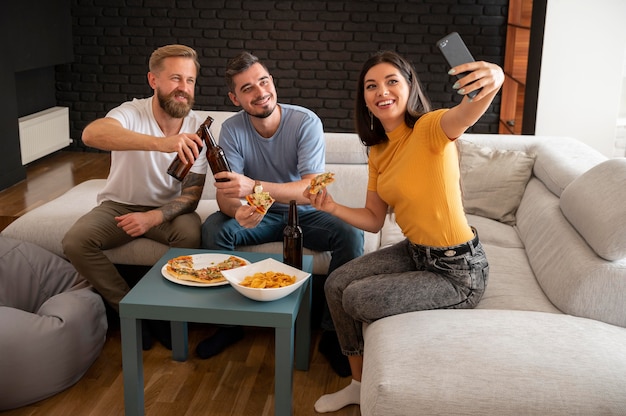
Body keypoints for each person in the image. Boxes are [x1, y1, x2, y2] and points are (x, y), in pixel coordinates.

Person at [307, 50, 504, 413]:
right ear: (364, 98)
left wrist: (495, 78)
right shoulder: (378, 150)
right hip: (416, 252)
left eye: (391, 81)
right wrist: (331, 207)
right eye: (371, 85)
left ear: (409, 87)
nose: (381, 91)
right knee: (335, 285)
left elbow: (469, 109)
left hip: (458, 271)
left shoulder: (431, 127)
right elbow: (373, 219)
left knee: (356, 298)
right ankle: (357, 383)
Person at [198, 52, 364, 374]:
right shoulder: (231, 130)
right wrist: (239, 210)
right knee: (214, 229)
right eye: (247, 88)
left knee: (351, 234)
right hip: (258, 215)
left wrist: (254, 187)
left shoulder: (305, 121)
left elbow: (308, 189)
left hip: (304, 212)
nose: (260, 92)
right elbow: (226, 194)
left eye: (263, 81)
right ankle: (229, 325)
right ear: (235, 98)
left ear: (272, 81)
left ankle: (333, 333)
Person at [62, 44, 208, 350]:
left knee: (190, 235)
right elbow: (91, 135)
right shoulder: (130, 112)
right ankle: (130, 310)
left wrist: (152, 217)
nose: (183, 88)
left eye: (190, 80)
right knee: (76, 241)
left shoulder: (199, 128)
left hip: (168, 211)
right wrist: (162, 143)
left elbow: (192, 196)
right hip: (118, 205)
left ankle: (165, 312)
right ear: (153, 81)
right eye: (175, 79)